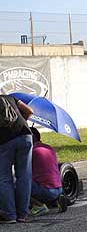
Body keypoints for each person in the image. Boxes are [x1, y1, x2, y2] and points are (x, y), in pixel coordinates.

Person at [0, 94, 33, 224]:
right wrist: (20, 124)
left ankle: (10, 214)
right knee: (24, 176)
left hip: (4, 140)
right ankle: (23, 214)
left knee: (3, 177)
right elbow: (29, 111)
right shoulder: (9, 98)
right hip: (25, 134)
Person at [30, 127, 67, 216]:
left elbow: (23, 171)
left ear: (32, 137)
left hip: (45, 190)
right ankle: (56, 199)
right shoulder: (49, 148)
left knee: (19, 185)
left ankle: (39, 206)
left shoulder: (31, 151)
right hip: (59, 188)